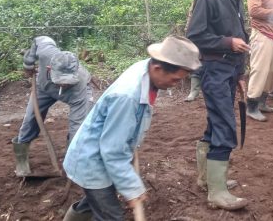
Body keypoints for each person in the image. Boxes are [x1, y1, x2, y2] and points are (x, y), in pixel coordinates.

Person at [62, 36, 200, 220]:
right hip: (92, 162)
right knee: (110, 215)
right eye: (175, 80)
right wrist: (132, 189)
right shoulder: (128, 97)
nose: (175, 84)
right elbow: (112, 151)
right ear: (158, 68)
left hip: (100, 154)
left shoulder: (147, 68)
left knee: (95, 202)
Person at [186, 0, 255, 211]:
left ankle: (208, 179)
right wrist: (228, 43)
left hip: (229, 71)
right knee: (225, 126)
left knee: (216, 124)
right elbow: (195, 35)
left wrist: (240, 75)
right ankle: (217, 192)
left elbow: (240, 35)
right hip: (214, 70)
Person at [12, 36, 94, 177]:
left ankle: (72, 161)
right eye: (60, 80)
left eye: (67, 81)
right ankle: (21, 162)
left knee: (79, 129)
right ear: (49, 68)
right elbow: (40, 39)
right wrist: (28, 62)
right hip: (44, 88)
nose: (63, 84)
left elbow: (76, 126)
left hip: (73, 95)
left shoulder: (80, 87)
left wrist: (74, 157)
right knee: (30, 119)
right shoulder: (46, 53)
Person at [185, 0, 219, 102]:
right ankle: (194, 91)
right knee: (196, 61)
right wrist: (189, 29)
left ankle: (212, 90)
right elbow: (192, 14)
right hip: (201, 33)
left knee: (214, 63)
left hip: (216, 35)